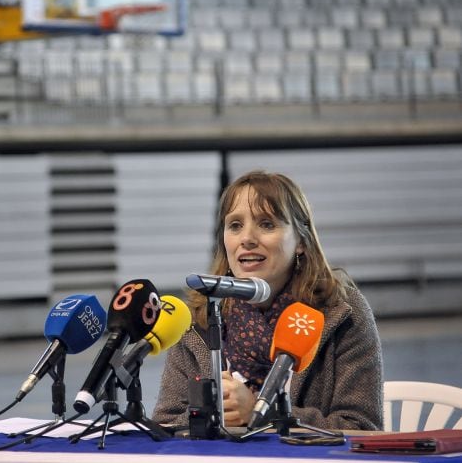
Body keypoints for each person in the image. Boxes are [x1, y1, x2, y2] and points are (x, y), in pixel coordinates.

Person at [152, 170, 383, 431]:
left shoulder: (342, 311)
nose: (247, 239)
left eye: (266, 224)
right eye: (235, 226)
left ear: (301, 242)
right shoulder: (199, 317)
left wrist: (262, 413)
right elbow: (166, 424)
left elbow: (362, 427)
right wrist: (208, 412)